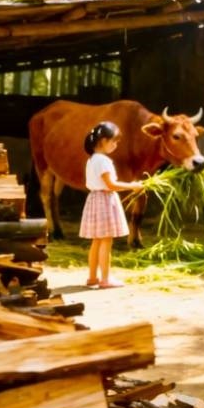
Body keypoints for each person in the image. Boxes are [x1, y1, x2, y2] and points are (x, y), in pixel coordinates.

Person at [80, 121, 143, 289]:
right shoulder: (103, 161)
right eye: (114, 141)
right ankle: (105, 279)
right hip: (104, 201)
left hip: (94, 199)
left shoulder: (92, 159)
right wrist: (132, 186)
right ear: (103, 141)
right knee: (106, 241)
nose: (116, 145)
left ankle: (92, 277)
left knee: (97, 241)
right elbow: (111, 185)